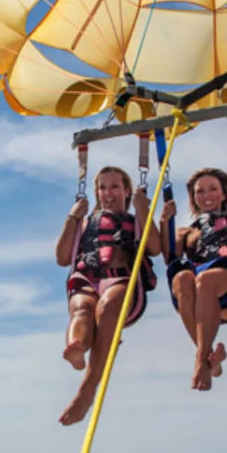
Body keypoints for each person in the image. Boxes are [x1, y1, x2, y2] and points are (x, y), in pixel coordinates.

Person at [55, 166, 160, 425]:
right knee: (81, 308)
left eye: (115, 186)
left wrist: (143, 208)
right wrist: (72, 217)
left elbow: (155, 248)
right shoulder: (84, 222)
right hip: (87, 279)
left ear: (126, 190)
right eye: (102, 187)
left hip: (121, 281)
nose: (108, 193)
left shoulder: (135, 221)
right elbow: (62, 258)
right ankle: (77, 347)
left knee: (108, 305)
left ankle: (87, 388)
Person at [160, 168, 227, 391]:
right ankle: (210, 360)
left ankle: (200, 361)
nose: (206, 195)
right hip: (197, 302)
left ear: (224, 193)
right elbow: (170, 259)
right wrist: (164, 222)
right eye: (200, 191)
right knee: (181, 278)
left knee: (204, 280)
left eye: (213, 189)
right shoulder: (185, 232)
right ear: (193, 198)